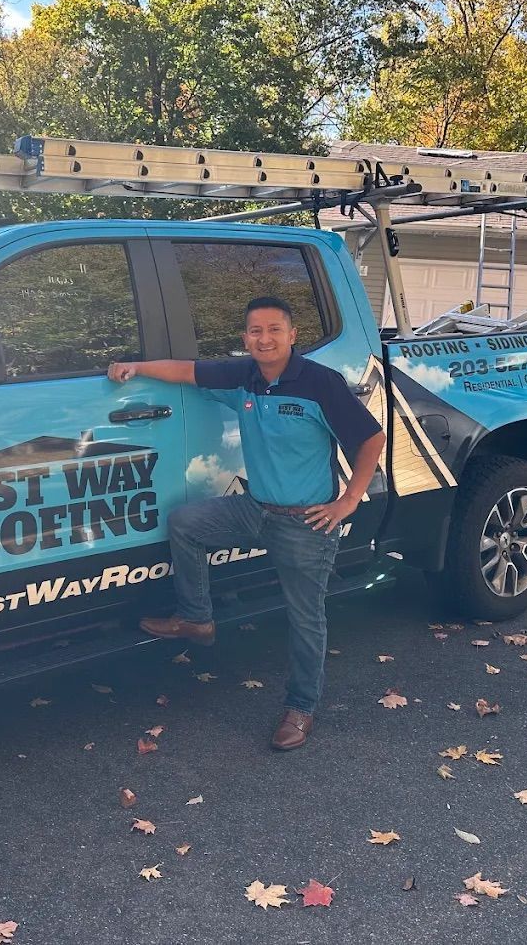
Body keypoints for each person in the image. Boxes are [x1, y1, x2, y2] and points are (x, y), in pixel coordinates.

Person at [107, 296, 385, 750]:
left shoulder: (320, 383)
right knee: (186, 525)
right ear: (246, 338)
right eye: (256, 331)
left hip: (305, 523)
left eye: (275, 330)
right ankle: (197, 620)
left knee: (305, 619)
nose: (265, 339)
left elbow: (371, 437)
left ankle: (301, 709)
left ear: (292, 336)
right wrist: (134, 366)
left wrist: (348, 500)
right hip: (254, 509)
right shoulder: (243, 375)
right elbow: (184, 370)